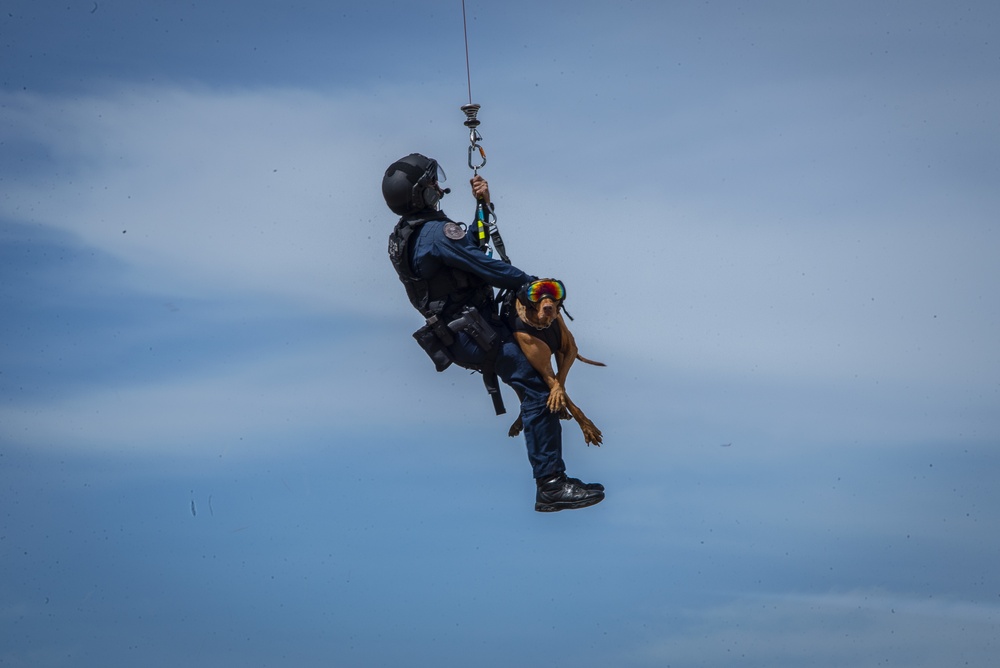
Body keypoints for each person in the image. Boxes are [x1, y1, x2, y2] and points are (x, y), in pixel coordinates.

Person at [383, 153, 604, 512]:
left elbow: (470, 246)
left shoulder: (407, 236)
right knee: (536, 388)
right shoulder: (437, 234)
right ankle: (551, 484)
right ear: (421, 194)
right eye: (431, 184)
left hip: (459, 332)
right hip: (474, 331)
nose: (439, 187)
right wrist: (530, 284)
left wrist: (481, 207)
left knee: (531, 379)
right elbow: (485, 265)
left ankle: (551, 478)